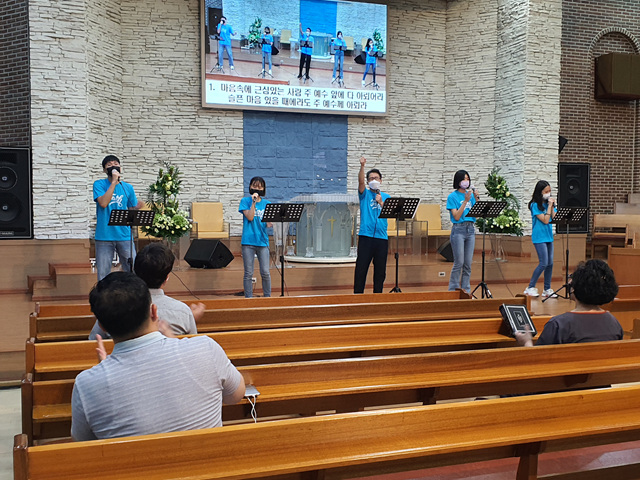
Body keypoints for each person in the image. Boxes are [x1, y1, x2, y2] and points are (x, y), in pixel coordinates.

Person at [71, 272, 245, 441]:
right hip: (209, 460)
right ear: (154, 311)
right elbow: (235, 396)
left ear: (101, 326)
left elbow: (84, 441)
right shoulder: (206, 347)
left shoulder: (87, 384)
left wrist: (104, 374)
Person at [88, 242, 205, 339]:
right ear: (167, 277)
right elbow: (192, 345)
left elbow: (93, 340)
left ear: (136, 272)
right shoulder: (182, 311)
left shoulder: (116, 305)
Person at [516, 259, 623, 347]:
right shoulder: (614, 323)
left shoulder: (559, 325)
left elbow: (538, 359)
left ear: (574, 287)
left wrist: (527, 342)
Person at [93, 155, 144, 281]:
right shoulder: (99, 184)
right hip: (104, 236)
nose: (113, 166)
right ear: (105, 170)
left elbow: (130, 209)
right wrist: (114, 183)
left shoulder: (128, 187)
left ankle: (133, 292)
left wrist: (136, 208)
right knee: (103, 274)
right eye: (109, 165)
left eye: (116, 164)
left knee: (132, 270)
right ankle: (104, 293)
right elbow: (103, 203)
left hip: (124, 235)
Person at [354, 156, 390, 294]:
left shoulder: (386, 197)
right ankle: (358, 296)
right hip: (366, 236)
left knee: (380, 270)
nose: (374, 180)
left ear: (381, 180)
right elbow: (360, 182)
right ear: (368, 182)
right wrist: (362, 166)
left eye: (376, 178)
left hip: (382, 237)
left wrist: (381, 202)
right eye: (371, 178)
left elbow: (389, 213)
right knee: (361, 268)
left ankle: (378, 296)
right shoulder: (365, 194)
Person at [446, 170, 479, 294]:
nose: (466, 181)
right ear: (458, 181)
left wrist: (476, 198)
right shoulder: (452, 196)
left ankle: (466, 290)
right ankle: (453, 290)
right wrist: (465, 201)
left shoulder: (470, 196)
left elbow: (477, 214)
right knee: (459, 262)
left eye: (468, 179)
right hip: (458, 230)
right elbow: (456, 216)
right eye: (464, 179)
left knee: (467, 264)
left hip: (470, 229)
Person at [524, 180, 558, 298]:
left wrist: (552, 206)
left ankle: (547, 289)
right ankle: (530, 287)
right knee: (543, 263)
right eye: (546, 191)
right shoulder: (534, 205)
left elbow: (555, 218)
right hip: (539, 237)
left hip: (549, 236)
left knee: (550, 263)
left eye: (550, 191)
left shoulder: (548, 204)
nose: (548, 193)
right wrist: (549, 207)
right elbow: (545, 220)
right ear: (540, 192)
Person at [239, 177, 271, 298]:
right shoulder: (245, 201)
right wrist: (253, 202)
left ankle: (267, 297)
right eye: (254, 185)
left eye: (259, 186)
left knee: (265, 272)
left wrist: (271, 222)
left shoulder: (267, 204)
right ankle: (249, 298)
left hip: (262, 242)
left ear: (263, 188)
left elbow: (269, 224)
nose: (257, 188)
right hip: (248, 242)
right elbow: (250, 217)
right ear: (250, 187)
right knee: (248, 273)